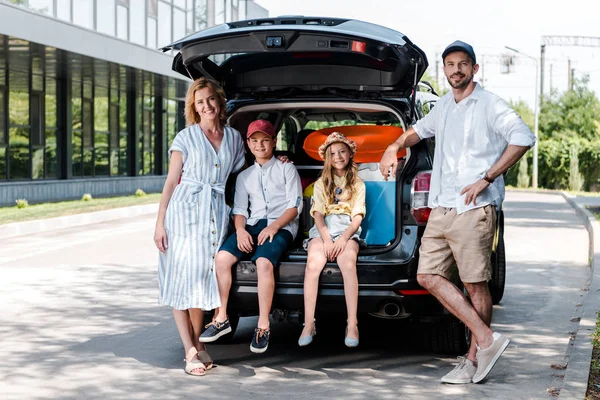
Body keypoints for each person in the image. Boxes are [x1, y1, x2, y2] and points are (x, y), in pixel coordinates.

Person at [379, 40, 536, 384]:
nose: (456, 70)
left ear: (474, 68)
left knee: (474, 285)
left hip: (475, 208)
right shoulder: (444, 107)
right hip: (442, 206)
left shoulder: (491, 104)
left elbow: (523, 137)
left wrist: (488, 177)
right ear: (444, 69)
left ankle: (473, 358)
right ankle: (486, 339)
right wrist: (393, 146)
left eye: (462, 64)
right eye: (450, 65)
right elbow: (417, 132)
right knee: (427, 276)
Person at [153, 77, 246, 376]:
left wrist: (277, 158)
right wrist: (159, 223)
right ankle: (190, 349)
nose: (206, 105)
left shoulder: (233, 138)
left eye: (210, 99)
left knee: (201, 281)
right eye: (199, 101)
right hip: (183, 213)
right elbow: (171, 182)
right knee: (182, 280)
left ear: (220, 102)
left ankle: (199, 343)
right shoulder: (185, 137)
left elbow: (244, 172)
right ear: (194, 106)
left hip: (214, 213)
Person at [199, 119, 303, 354]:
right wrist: (240, 230)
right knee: (222, 259)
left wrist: (274, 227)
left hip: (281, 225)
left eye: (265, 140)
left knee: (263, 262)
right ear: (247, 144)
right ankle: (222, 316)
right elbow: (239, 210)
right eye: (255, 141)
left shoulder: (287, 168)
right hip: (251, 225)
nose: (260, 145)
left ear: (274, 142)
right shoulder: (245, 176)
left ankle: (263, 325)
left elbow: (295, 206)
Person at [298, 131, 366, 348]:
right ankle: (309, 323)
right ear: (327, 158)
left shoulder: (358, 183)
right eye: (333, 153)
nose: (338, 157)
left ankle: (352, 323)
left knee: (347, 264)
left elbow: (357, 216)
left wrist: (344, 239)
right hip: (324, 230)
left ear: (349, 155)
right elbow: (317, 213)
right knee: (313, 265)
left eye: (342, 152)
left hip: (347, 230)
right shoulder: (320, 184)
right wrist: (327, 239)